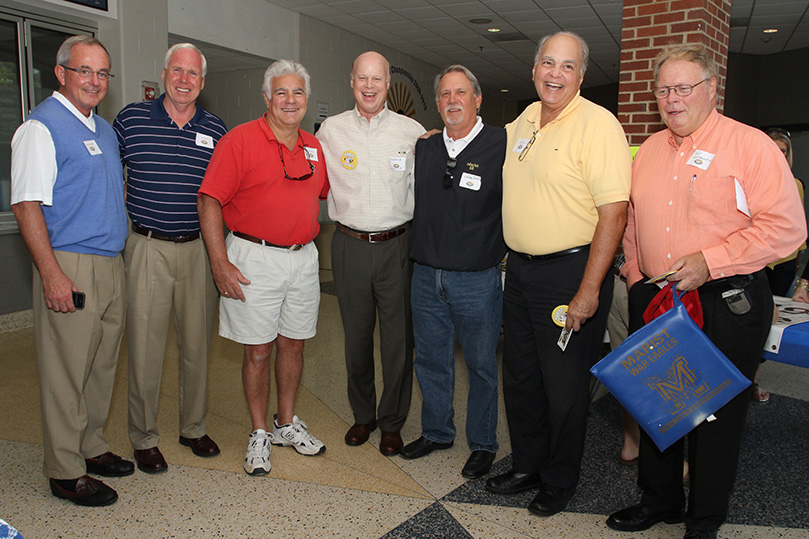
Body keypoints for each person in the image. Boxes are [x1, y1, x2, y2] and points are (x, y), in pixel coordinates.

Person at [607, 44, 806, 539]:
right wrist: (635, 273)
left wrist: (709, 261)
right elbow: (632, 220)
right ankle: (660, 501)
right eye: (663, 89)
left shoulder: (750, 145)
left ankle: (704, 518)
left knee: (715, 415)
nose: (672, 99)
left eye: (683, 88)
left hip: (727, 300)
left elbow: (787, 228)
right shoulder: (649, 150)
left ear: (711, 89)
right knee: (656, 403)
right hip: (655, 296)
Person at [485, 31, 630, 517]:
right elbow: (486, 150)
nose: (555, 74)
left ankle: (560, 477)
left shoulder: (599, 125)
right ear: (533, 69)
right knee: (521, 377)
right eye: (548, 63)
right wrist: (436, 137)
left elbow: (614, 212)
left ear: (582, 76)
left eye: (567, 66)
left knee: (564, 385)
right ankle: (527, 465)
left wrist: (590, 290)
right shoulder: (526, 118)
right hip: (521, 272)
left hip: (572, 273)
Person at [10, 35, 132, 506]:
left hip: (109, 263)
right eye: (85, 71)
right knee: (66, 372)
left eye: (103, 73)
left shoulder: (101, 128)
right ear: (61, 73)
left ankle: (91, 447)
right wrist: (52, 274)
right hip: (71, 264)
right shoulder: (40, 128)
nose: (95, 81)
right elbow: (26, 206)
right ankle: (64, 470)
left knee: (100, 367)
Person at [198, 59, 329, 475]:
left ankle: (286, 422)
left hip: (304, 257)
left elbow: (321, 192)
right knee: (257, 350)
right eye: (281, 92)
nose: (290, 101)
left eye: (298, 93)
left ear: (307, 99)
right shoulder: (239, 140)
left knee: (294, 343)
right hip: (254, 256)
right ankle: (259, 431)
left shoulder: (313, 145)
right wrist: (220, 262)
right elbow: (209, 200)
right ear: (266, 97)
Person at [113, 43, 228, 473]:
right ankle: (143, 437)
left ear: (202, 81)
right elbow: (109, 177)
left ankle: (193, 427)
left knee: (198, 344)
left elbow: (225, 194)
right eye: (177, 71)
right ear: (163, 74)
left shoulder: (216, 129)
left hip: (199, 249)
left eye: (193, 74)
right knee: (144, 346)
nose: (184, 80)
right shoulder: (129, 119)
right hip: (146, 247)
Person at [399, 65, 506, 479]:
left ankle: (482, 442)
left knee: (480, 365)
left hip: (476, 280)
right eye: (444, 94)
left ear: (477, 99)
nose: (452, 101)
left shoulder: (501, 143)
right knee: (430, 359)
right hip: (425, 276)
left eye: (461, 93)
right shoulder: (425, 147)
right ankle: (437, 431)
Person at [316, 51, 425, 456]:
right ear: (351, 82)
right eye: (362, 78)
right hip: (349, 246)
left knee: (398, 340)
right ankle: (364, 416)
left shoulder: (411, 131)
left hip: (398, 246)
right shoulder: (330, 130)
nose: (369, 86)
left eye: (376, 79)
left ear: (388, 84)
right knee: (356, 338)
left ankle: (393, 420)